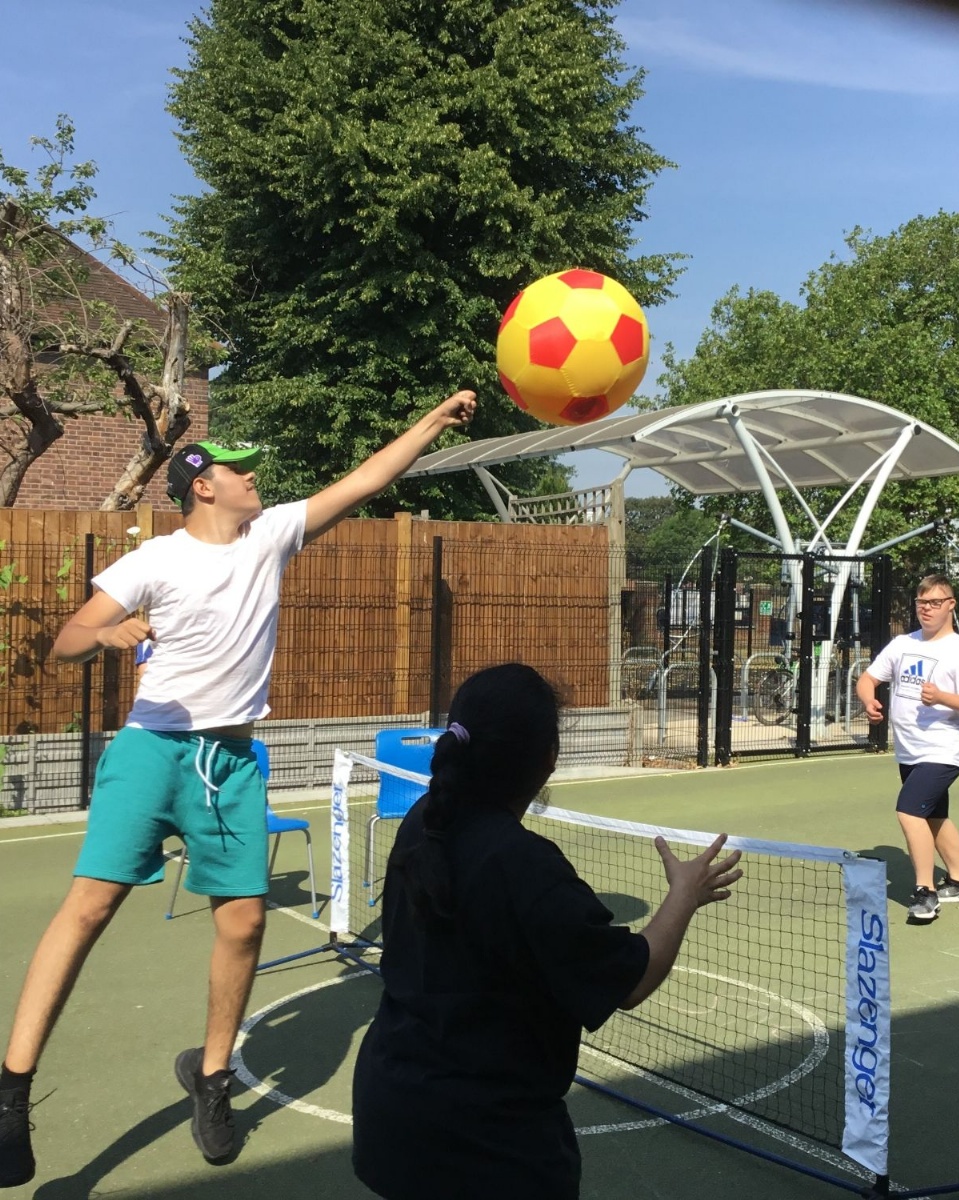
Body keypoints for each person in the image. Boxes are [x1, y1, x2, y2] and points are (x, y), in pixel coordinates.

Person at [0, 390, 476, 1189]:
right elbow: (68, 639)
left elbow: (363, 482)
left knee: (246, 924)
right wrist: (107, 634)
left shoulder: (270, 537)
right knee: (88, 907)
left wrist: (428, 422)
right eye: (240, 468)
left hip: (232, 762)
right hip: (150, 751)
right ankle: (11, 1095)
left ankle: (212, 1077)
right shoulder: (154, 560)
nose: (257, 476)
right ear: (201, 485)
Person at [351, 663, 744, 1200]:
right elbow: (629, 979)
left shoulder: (426, 820)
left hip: (391, 1116)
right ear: (548, 759)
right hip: (488, 1147)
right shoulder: (525, 866)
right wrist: (684, 894)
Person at [855, 573, 959, 925]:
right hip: (909, 750)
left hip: (944, 750)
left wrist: (943, 697)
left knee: (909, 811)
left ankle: (925, 891)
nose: (926, 609)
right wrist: (869, 701)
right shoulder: (903, 644)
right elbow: (868, 679)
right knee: (933, 816)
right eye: (921, 603)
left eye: (934, 602)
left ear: (950, 605)